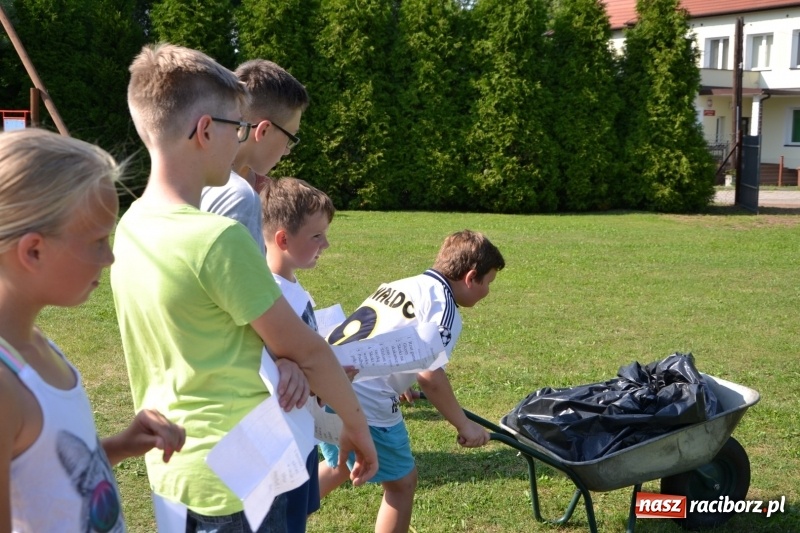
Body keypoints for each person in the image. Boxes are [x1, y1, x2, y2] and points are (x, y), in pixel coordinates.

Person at [111, 43, 377, 532]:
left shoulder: (131, 226)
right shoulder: (218, 238)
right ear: (205, 130)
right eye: (236, 128)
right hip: (244, 475)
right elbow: (309, 352)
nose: (241, 140)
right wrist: (357, 427)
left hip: (176, 469)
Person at [0, 128, 186, 532]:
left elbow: (43, 478)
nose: (111, 257)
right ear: (33, 250)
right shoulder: (6, 385)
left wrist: (119, 446)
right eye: (98, 240)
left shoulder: (35, 345)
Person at [319, 229, 506, 533]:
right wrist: (464, 425)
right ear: (471, 277)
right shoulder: (443, 310)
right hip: (365, 399)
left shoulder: (402, 284)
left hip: (327, 382)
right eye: (488, 283)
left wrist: (401, 380)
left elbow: (387, 332)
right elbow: (430, 374)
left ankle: (273, 520)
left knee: (339, 465)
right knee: (402, 483)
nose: (488, 292)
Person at [260, 176, 336, 533]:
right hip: (283, 441)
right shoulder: (268, 296)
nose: (327, 243)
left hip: (304, 435)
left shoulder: (292, 287)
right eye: (317, 236)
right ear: (283, 239)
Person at [200, 59, 308, 254]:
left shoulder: (185, 176)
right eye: (289, 138)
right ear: (264, 130)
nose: (287, 150)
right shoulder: (240, 197)